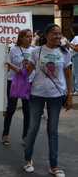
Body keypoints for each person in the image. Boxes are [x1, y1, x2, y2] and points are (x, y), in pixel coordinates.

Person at [23, 24, 73, 177]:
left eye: (59, 34)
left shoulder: (64, 52)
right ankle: (28, 160)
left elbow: (68, 74)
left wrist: (69, 95)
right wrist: (16, 72)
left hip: (56, 96)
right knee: (33, 128)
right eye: (54, 33)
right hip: (36, 94)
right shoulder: (36, 52)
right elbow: (27, 72)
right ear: (46, 35)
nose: (58, 37)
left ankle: (54, 165)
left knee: (53, 131)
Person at [2, 29, 33, 146]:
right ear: (21, 38)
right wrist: (18, 70)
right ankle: (5, 135)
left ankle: (26, 136)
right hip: (13, 82)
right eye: (27, 36)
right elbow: (7, 64)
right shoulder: (13, 50)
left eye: (31, 36)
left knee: (27, 110)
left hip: (28, 83)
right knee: (11, 109)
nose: (30, 39)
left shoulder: (33, 50)